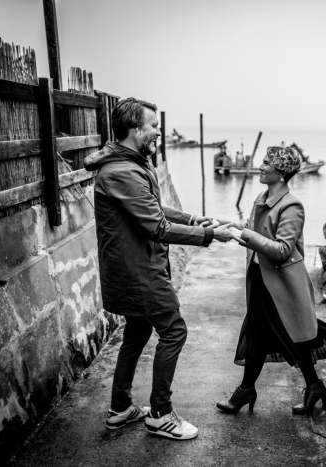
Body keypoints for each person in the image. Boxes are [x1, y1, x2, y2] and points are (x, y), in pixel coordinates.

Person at [84, 98, 233, 440]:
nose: (158, 131)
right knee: (174, 331)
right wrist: (210, 234)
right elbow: (157, 227)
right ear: (135, 129)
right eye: (153, 125)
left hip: (134, 268)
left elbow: (153, 208)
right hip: (139, 272)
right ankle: (160, 415)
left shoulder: (129, 165)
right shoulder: (122, 171)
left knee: (136, 333)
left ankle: (120, 408)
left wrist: (193, 219)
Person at [216, 146, 326, 415]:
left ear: (281, 172)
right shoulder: (261, 198)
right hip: (260, 277)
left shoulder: (292, 205)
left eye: (266, 163)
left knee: (283, 335)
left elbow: (283, 249)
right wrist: (228, 228)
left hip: (281, 283)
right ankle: (308, 387)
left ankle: (251, 392)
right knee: (261, 335)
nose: (260, 166)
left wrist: (247, 235)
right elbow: (253, 235)